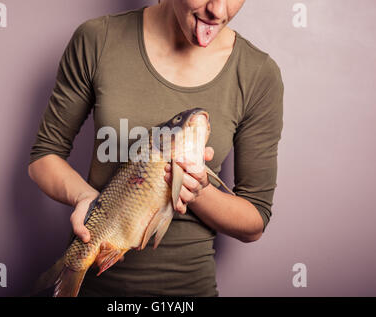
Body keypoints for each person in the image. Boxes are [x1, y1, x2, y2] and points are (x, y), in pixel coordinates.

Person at [28, 0, 283, 296]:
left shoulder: (257, 73)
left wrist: (197, 191)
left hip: (188, 294)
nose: (219, 10)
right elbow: (44, 156)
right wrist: (86, 198)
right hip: (97, 285)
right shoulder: (98, 38)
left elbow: (255, 221)